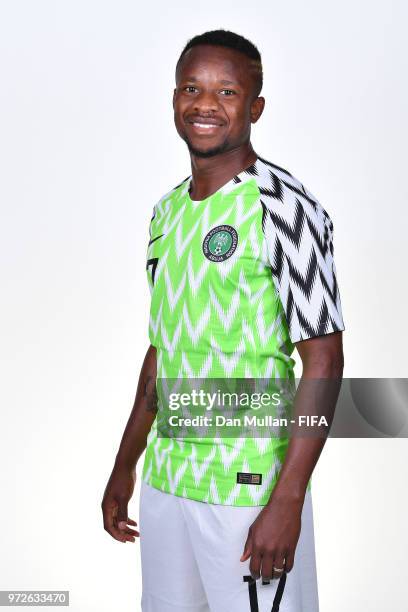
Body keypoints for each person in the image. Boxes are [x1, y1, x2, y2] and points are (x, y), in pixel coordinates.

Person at [101, 29, 345, 612]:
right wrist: (124, 466)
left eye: (227, 91)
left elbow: (324, 357)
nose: (205, 104)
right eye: (192, 87)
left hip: (250, 487)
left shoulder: (284, 208)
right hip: (168, 480)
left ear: (255, 106)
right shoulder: (165, 213)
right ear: (174, 99)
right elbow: (160, 352)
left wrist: (287, 500)